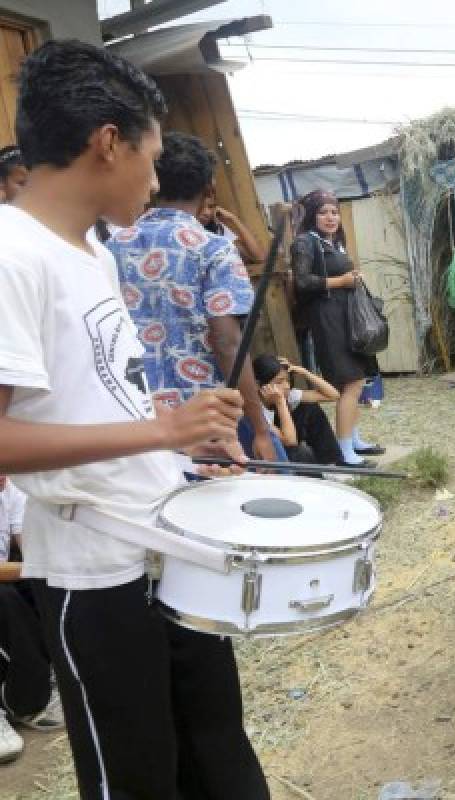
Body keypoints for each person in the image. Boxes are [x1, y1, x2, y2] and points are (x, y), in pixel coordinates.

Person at [0, 39, 268, 798]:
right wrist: (161, 432)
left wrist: (183, 433)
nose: (157, 180)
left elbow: (105, 392)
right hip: (93, 572)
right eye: (151, 158)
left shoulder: (96, 251)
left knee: (220, 754)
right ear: (107, 143)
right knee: (137, 776)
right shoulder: (11, 255)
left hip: (167, 536)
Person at [106, 131, 279, 464]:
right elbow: (227, 342)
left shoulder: (111, 249)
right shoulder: (214, 249)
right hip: (207, 422)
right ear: (209, 190)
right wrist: (260, 429)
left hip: (137, 419)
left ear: (153, 180)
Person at [290, 189, 386, 467]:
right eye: (323, 212)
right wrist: (340, 282)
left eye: (334, 212)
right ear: (312, 215)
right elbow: (302, 282)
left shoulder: (332, 242)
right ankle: (343, 451)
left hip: (347, 319)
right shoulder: (305, 242)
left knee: (357, 381)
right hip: (328, 321)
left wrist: (350, 279)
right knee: (350, 383)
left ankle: (353, 439)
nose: (331, 217)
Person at [1, 476, 64, 766]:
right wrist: (39, 565)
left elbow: (27, 545)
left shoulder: (9, 489)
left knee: (51, 584)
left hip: (10, 573)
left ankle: (53, 678)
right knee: (5, 599)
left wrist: (48, 565)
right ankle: (24, 702)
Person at [252, 354, 343, 466]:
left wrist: (305, 372)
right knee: (300, 452)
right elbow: (290, 441)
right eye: (279, 382)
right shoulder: (255, 408)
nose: (286, 386)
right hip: (272, 453)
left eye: (287, 380)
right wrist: (280, 402)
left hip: (287, 436)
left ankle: (330, 463)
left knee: (310, 407)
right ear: (258, 385)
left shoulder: (287, 394)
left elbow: (333, 395)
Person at [197, 186, 267, 265]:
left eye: (210, 207)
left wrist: (233, 219)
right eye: (201, 207)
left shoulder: (217, 229)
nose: (207, 212)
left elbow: (260, 257)